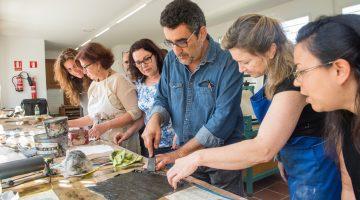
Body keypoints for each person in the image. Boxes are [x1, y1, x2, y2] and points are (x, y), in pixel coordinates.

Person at [166, 14, 341, 200]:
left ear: (271, 50)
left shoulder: (291, 80)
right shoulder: (272, 70)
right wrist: (281, 156)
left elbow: (263, 148)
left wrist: (197, 157)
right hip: (294, 157)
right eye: (237, 62)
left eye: (245, 62)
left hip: (315, 162)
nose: (241, 70)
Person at [142, 0, 244, 195]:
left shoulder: (228, 62)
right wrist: (154, 120)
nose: (176, 50)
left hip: (221, 157)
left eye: (182, 41)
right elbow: (162, 97)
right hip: (185, 153)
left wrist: (179, 154)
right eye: (170, 43)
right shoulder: (172, 59)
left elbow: (222, 120)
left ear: (202, 33)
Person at [294, 14, 360, 199]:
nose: (297, 82)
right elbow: (349, 189)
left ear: (339, 70)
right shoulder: (344, 118)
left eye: (301, 71)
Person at [68, 42, 142, 154]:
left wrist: (107, 125)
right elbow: (93, 117)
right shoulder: (93, 86)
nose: (84, 71)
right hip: (102, 144)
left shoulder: (118, 80)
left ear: (98, 63)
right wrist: (67, 123)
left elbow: (135, 112)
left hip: (122, 141)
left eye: (85, 67)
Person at [114, 39, 177, 155]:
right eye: (138, 62)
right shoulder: (140, 83)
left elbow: (184, 110)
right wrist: (127, 133)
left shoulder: (172, 78)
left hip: (173, 144)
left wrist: (180, 134)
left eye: (147, 59)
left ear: (156, 55)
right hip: (150, 143)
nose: (143, 65)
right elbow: (144, 116)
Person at [54, 48, 91, 116]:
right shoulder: (75, 83)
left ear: (81, 62)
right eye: (69, 69)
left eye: (75, 66)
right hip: (89, 123)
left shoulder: (95, 78)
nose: (74, 71)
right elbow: (85, 109)